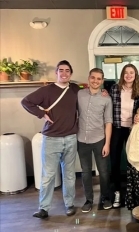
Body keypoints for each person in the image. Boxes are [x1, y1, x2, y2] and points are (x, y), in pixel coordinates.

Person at [21, 60, 79, 219]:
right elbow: (25, 102)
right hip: (51, 139)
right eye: (61, 70)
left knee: (69, 175)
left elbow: (88, 88)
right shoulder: (46, 91)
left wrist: (102, 92)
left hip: (71, 138)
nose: (64, 73)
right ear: (56, 72)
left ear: (71, 73)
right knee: (48, 175)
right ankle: (44, 208)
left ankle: (69, 205)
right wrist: (41, 114)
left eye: (68, 70)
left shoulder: (74, 88)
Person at [77, 68, 113, 213]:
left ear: (102, 81)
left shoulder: (106, 98)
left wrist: (107, 144)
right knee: (86, 172)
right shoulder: (79, 94)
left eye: (99, 79)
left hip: (100, 139)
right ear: (88, 78)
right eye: (93, 78)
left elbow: (108, 122)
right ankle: (88, 200)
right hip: (81, 140)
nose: (95, 81)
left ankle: (105, 197)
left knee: (104, 172)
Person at [109, 63, 139, 208]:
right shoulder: (114, 89)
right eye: (126, 72)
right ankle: (117, 192)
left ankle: (133, 192)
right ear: (122, 74)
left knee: (133, 160)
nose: (129, 75)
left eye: (132, 72)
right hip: (117, 128)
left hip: (132, 130)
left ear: (135, 75)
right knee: (115, 161)